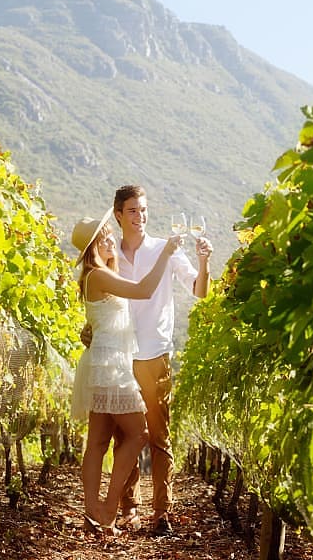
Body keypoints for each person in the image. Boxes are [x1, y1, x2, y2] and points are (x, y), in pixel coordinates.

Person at [69, 209, 182, 535]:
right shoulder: (99, 275)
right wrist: (165, 253)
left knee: (98, 442)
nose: (110, 239)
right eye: (103, 237)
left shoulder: (98, 274)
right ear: (91, 247)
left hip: (104, 361)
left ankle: (94, 514)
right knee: (139, 433)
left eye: (107, 234)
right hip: (112, 366)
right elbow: (145, 289)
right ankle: (106, 507)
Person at [111, 184, 212, 536]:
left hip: (156, 354)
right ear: (119, 215)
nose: (141, 216)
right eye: (134, 211)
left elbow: (199, 291)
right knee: (126, 438)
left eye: (144, 209)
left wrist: (203, 260)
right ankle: (129, 508)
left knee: (158, 436)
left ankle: (162, 513)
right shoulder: (111, 255)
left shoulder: (164, 249)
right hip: (121, 355)